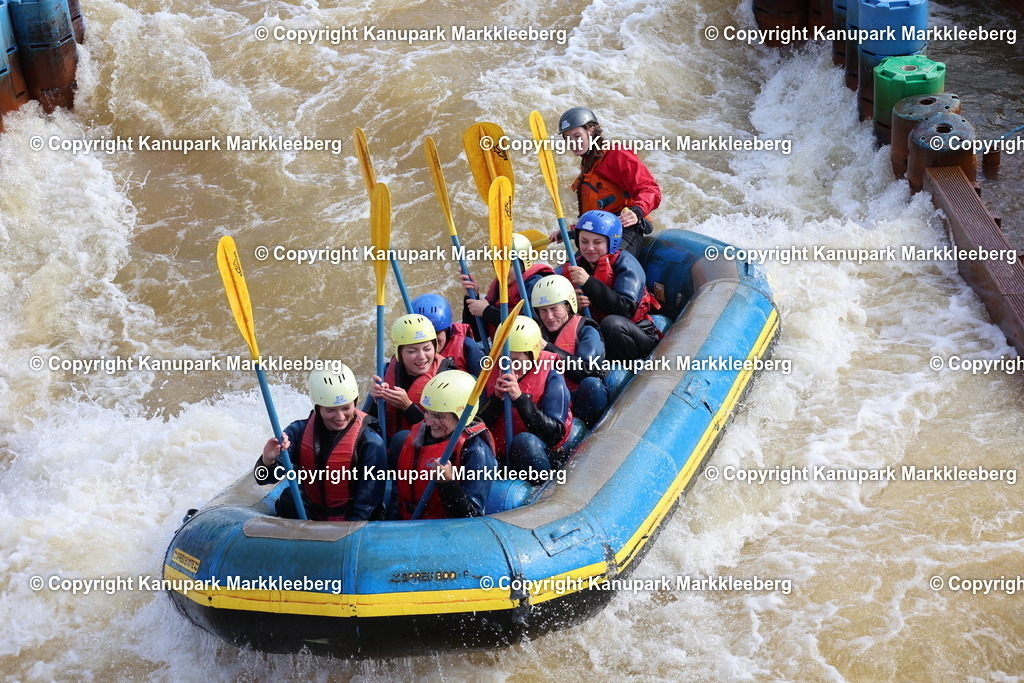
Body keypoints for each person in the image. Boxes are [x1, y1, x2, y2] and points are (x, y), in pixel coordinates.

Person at [256, 366, 386, 521]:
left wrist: (346, 531)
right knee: (289, 497)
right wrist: (268, 459)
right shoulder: (298, 432)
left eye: (346, 408)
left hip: (353, 518)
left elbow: (368, 503)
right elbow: (264, 479)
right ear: (317, 407)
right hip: (312, 516)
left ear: (355, 402)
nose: (340, 417)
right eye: (330, 410)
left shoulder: (371, 442)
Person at [391, 370, 498, 519]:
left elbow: (471, 518)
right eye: (427, 412)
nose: (428, 421)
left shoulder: (476, 452)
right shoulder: (418, 435)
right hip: (406, 519)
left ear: (462, 415)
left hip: (443, 527)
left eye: (438, 416)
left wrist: (447, 484)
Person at [557, 107, 662, 258]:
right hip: (598, 234)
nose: (572, 142)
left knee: (605, 266)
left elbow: (651, 189)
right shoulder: (588, 165)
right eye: (567, 138)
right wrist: (571, 231)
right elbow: (595, 214)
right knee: (571, 268)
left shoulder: (617, 155)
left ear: (591, 130)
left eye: (577, 136)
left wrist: (636, 211)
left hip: (624, 229)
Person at [562, 210, 661, 361]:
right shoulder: (576, 265)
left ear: (611, 242)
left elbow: (626, 309)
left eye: (597, 242)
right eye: (584, 241)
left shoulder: (626, 264)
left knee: (611, 324)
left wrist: (588, 282)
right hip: (597, 334)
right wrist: (573, 305)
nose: (590, 248)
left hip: (635, 333)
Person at [479, 316, 572, 475]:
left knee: (524, 442)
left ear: (532, 356)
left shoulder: (551, 375)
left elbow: (554, 435)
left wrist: (519, 399)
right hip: (501, 457)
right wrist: (496, 400)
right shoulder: (488, 371)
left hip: (535, 451)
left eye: (517, 361)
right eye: (504, 361)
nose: (510, 368)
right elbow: (477, 426)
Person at [364, 313, 454, 453]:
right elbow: (366, 423)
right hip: (392, 447)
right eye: (412, 351)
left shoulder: (447, 376)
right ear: (399, 353)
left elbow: (445, 431)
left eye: (427, 349)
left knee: (401, 438)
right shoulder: (386, 371)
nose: (422, 357)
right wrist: (377, 402)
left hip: (430, 451)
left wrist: (407, 407)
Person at [531, 274, 610, 426]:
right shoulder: (535, 332)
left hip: (580, 397)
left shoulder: (586, 330)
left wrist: (547, 348)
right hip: (553, 401)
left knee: (592, 385)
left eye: (554, 308)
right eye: (543, 310)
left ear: (568, 306)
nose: (549, 316)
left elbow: (588, 370)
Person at [460, 232, 554, 340]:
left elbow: (528, 329)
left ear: (524, 263)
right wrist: (472, 296)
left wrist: (487, 311)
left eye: (508, 265)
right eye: (497, 264)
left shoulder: (535, 285)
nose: (502, 271)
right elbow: (475, 335)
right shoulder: (498, 289)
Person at [412, 293, 485, 375]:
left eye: (437, 333)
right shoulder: (406, 354)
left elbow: (485, 378)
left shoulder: (467, 347)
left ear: (447, 330)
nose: (432, 341)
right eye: (425, 335)